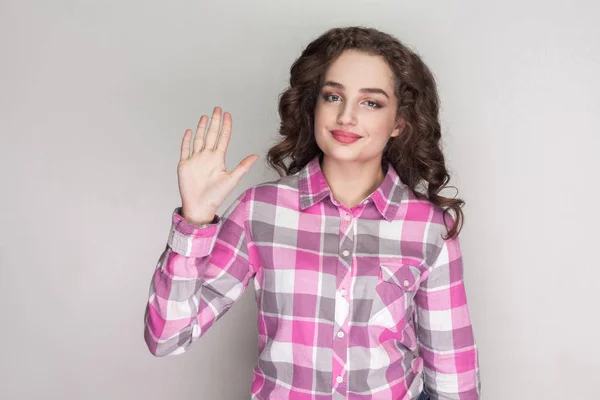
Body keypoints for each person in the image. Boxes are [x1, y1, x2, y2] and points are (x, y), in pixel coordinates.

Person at [144, 26, 480, 400]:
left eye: (371, 102)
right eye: (333, 96)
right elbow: (167, 337)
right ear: (314, 105)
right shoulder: (261, 211)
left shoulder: (428, 227)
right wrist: (195, 221)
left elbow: (453, 377)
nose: (347, 116)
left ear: (399, 122)